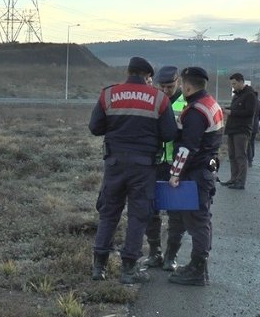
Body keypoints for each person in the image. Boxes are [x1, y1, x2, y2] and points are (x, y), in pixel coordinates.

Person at [88, 57, 178, 284]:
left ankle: (99, 267)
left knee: (109, 213)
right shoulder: (159, 99)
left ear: (128, 72)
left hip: (115, 164)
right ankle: (129, 270)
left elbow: (95, 128)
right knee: (138, 216)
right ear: (148, 77)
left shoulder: (108, 94)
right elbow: (169, 134)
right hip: (144, 167)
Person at [164, 67, 224, 286]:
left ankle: (198, 270)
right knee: (202, 220)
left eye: (181, 85)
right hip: (206, 170)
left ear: (187, 86)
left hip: (196, 174)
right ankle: (198, 266)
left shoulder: (195, 111)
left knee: (197, 222)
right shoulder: (211, 103)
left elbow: (187, 148)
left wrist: (174, 174)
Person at [143, 65, 188, 269]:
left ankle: (171, 256)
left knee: (176, 213)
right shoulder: (153, 99)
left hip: (176, 166)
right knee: (151, 210)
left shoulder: (186, 103)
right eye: (162, 87)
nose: (166, 90)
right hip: (155, 163)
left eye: (169, 86)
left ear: (178, 82)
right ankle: (155, 253)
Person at [222, 73, 256, 189]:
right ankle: (233, 178)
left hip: (242, 130)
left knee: (240, 156)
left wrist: (231, 112)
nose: (233, 86)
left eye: (234, 84)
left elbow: (250, 112)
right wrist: (227, 110)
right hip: (232, 129)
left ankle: (240, 182)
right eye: (232, 84)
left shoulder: (250, 95)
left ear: (241, 82)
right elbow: (235, 109)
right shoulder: (236, 95)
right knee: (232, 155)